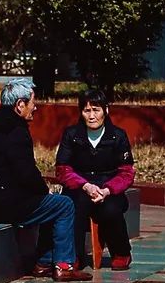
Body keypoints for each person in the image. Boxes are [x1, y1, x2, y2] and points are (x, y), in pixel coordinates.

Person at [0, 77, 90, 280]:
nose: (36, 107)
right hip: (6, 207)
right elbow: (26, 173)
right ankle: (63, 265)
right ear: (20, 105)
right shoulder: (16, 132)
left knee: (51, 204)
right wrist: (44, 190)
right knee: (64, 205)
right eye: (33, 103)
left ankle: (43, 264)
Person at [55, 88, 135, 271]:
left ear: (106, 111)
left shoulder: (118, 136)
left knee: (111, 208)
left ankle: (121, 252)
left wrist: (107, 190)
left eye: (96, 110)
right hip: (80, 186)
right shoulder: (71, 135)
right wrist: (85, 186)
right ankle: (73, 256)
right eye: (87, 110)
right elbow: (62, 170)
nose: (92, 116)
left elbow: (126, 173)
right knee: (73, 207)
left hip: (108, 188)